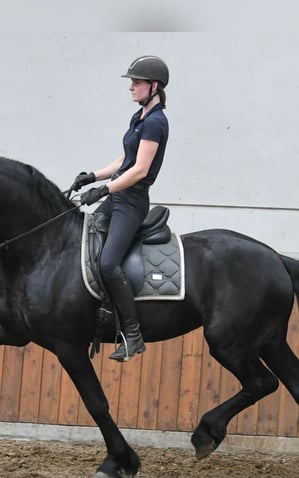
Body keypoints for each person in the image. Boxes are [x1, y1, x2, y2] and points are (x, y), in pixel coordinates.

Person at [72, 55, 170, 362]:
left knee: (108, 263)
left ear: (154, 86)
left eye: (137, 82)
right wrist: (94, 176)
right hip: (117, 196)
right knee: (85, 247)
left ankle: (133, 334)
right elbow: (124, 160)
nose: (131, 87)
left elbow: (139, 170)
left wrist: (104, 189)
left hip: (132, 201)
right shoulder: (139, 117)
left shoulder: (156, 122)